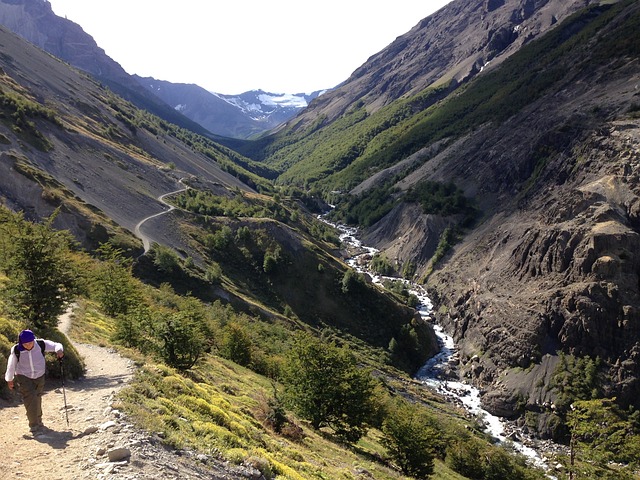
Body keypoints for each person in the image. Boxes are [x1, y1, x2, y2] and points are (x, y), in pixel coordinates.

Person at [4, 329, 64, 435]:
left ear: (34, 339)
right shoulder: (17, 349)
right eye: (25, 343)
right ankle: (34, 425)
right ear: (21, 342)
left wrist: (59, 350)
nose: (28, 345)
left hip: (39, 375)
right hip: (23, 376)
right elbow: (11, 365)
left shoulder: (41, 344)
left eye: (30, 342)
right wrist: (9, 379)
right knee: (29, 397)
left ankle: (38, 420)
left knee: (37, 397)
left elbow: (56, 345)